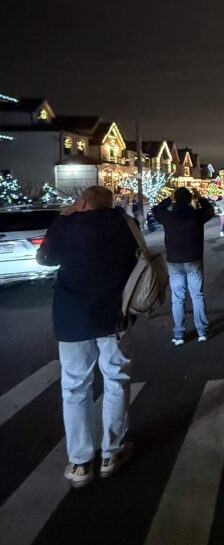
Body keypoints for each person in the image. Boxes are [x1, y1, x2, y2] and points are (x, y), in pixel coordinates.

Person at [36, 186, 138, 488]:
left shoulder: (65, 225)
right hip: (114, 315)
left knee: (75, 387)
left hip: (73, 318)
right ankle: (111, 453)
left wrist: (64, 216)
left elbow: (45, 258)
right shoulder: (124, 224)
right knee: (116, 380)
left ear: (82, 203)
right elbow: (135, 260)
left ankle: (80, 462)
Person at [153, 187, 214, 346]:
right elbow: (210, 210)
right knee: (197, 295)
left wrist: (168, 200)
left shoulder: (168, 216)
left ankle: (179, 333)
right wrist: (201, 198)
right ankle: (201, 331)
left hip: (174, 261)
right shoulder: (196, 215)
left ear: (176, 199)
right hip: (193, 259)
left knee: (178, 298)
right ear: (189, 199)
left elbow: (156, 210)